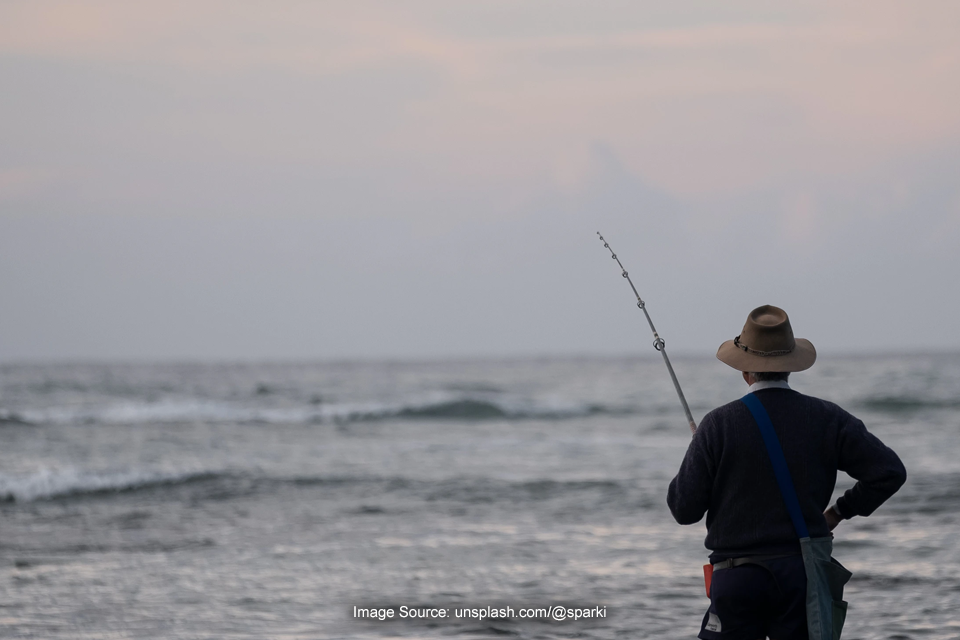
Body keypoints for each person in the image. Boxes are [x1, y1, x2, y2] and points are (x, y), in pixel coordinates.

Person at [667, 305, 906, 640]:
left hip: (736, 579)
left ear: (744, 371)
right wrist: (839, 512)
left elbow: (684, 509)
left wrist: (696, 453)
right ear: (790, 367)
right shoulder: (828, 418)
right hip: (801, 577)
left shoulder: (718, 424)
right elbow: (889, 472)